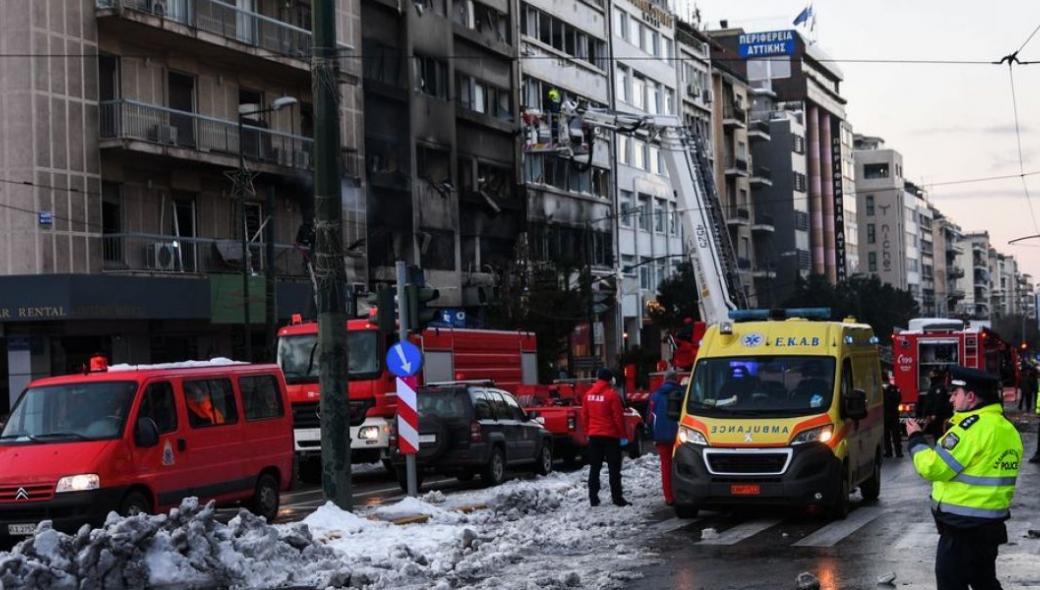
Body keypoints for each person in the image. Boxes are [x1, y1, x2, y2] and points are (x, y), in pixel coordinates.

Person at [905, 366, 1023, 590]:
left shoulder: (970, 430)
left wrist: (916, 439)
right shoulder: (1006, 428)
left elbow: (933, 468)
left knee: (951, 582)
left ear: (970, 397)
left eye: (955, 393)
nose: (951, 398)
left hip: (962, 526)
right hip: (990, 524)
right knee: (984, 581)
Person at [581, 368, 629, 507]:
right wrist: (622, 434)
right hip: (610, 437)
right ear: (610, 380)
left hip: (594, 436)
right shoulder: (612, 395)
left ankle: (593, 497)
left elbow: (584, 416)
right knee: (614, 468)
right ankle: (617, 498)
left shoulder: (588, 395)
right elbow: (618, 417)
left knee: (594, 468)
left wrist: (588, 432)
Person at [648, 370, 683, 505]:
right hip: (679, 436)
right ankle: (681, 492)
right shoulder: (683, 393)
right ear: (676, 380)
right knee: (681, 466)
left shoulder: (655, 396)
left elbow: (650, 418)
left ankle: (669, 496)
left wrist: (653, 433)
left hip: (661, 436)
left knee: (666, 466)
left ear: (664, 380)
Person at [882, 371, 904, 458]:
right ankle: (895, 452)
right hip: (892, 414)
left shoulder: (892, 388)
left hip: (890, 415)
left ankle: (891, 452)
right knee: (892, 435)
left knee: (892, 435)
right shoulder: (894, 388)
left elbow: (898, 398)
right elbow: (898, 398)